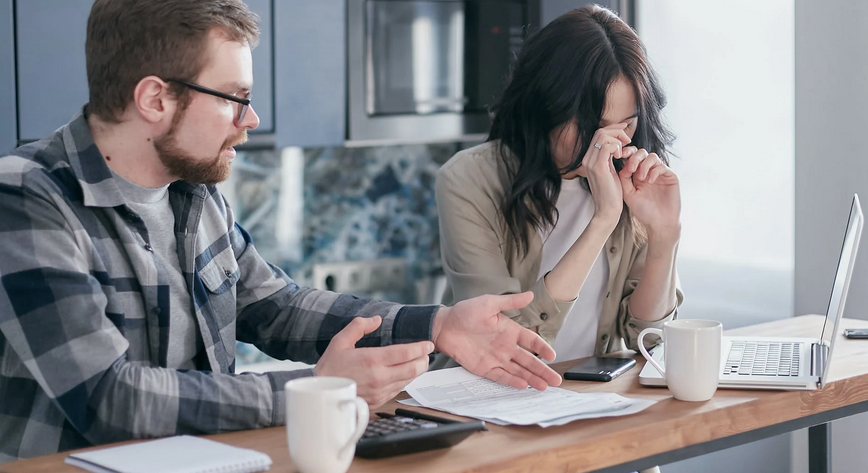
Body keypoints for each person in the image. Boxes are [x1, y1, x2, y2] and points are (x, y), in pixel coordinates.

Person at [0, 0, 561, 463]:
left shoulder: (193, 191)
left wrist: (436, 325)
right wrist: (313, 393)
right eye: (235, 98)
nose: (252, 119)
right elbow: (106, 397)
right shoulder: (28, 198)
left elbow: (277, 307)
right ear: (155, 98)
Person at [433, 5, 684, 369]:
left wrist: (665, 235)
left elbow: (650, 340)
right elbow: (501, 344)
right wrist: (603, 219)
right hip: (482, 399)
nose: (611, 143)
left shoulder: (636, 177)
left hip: (586, 402)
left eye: (626, 125)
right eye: (592, 125)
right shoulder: (466, 181)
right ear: (545, 107)